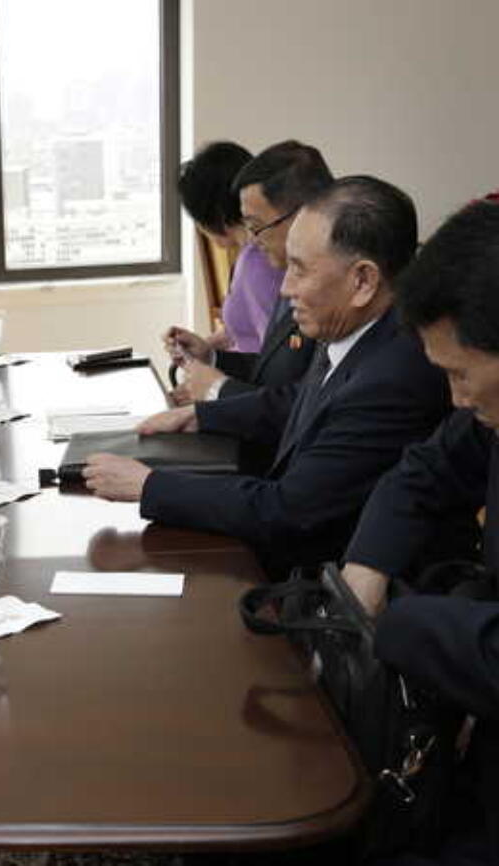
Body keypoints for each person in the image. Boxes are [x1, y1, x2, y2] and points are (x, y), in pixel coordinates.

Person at [84, 176, 455, 578]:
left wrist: (149, 486)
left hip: (320, 579)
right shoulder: (356, 325)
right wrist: (200, 416)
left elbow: (288, 511)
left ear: (362, 280)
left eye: (299, 269)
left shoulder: (394, 376)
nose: (284, 288)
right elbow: (301, 402)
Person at [341, 200, 499, 866]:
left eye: (461, 375)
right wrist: (366, 570)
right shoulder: (488, 411)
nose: (456, 400)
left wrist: (402, 625)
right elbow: (423, 470)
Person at [164, 140, 329, 403]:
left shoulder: (262, 264)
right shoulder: (269, 261)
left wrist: (216, 389)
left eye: (256, 225)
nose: (253, 239)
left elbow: (287, 389)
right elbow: (275, 362)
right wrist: (211, 356)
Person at [177, 141, 284, 355]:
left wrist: (215, 382)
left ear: (211, 216)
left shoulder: (257, 263)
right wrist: (204, 346)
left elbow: (275, 357)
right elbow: (245, 331)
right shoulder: (254, 255)